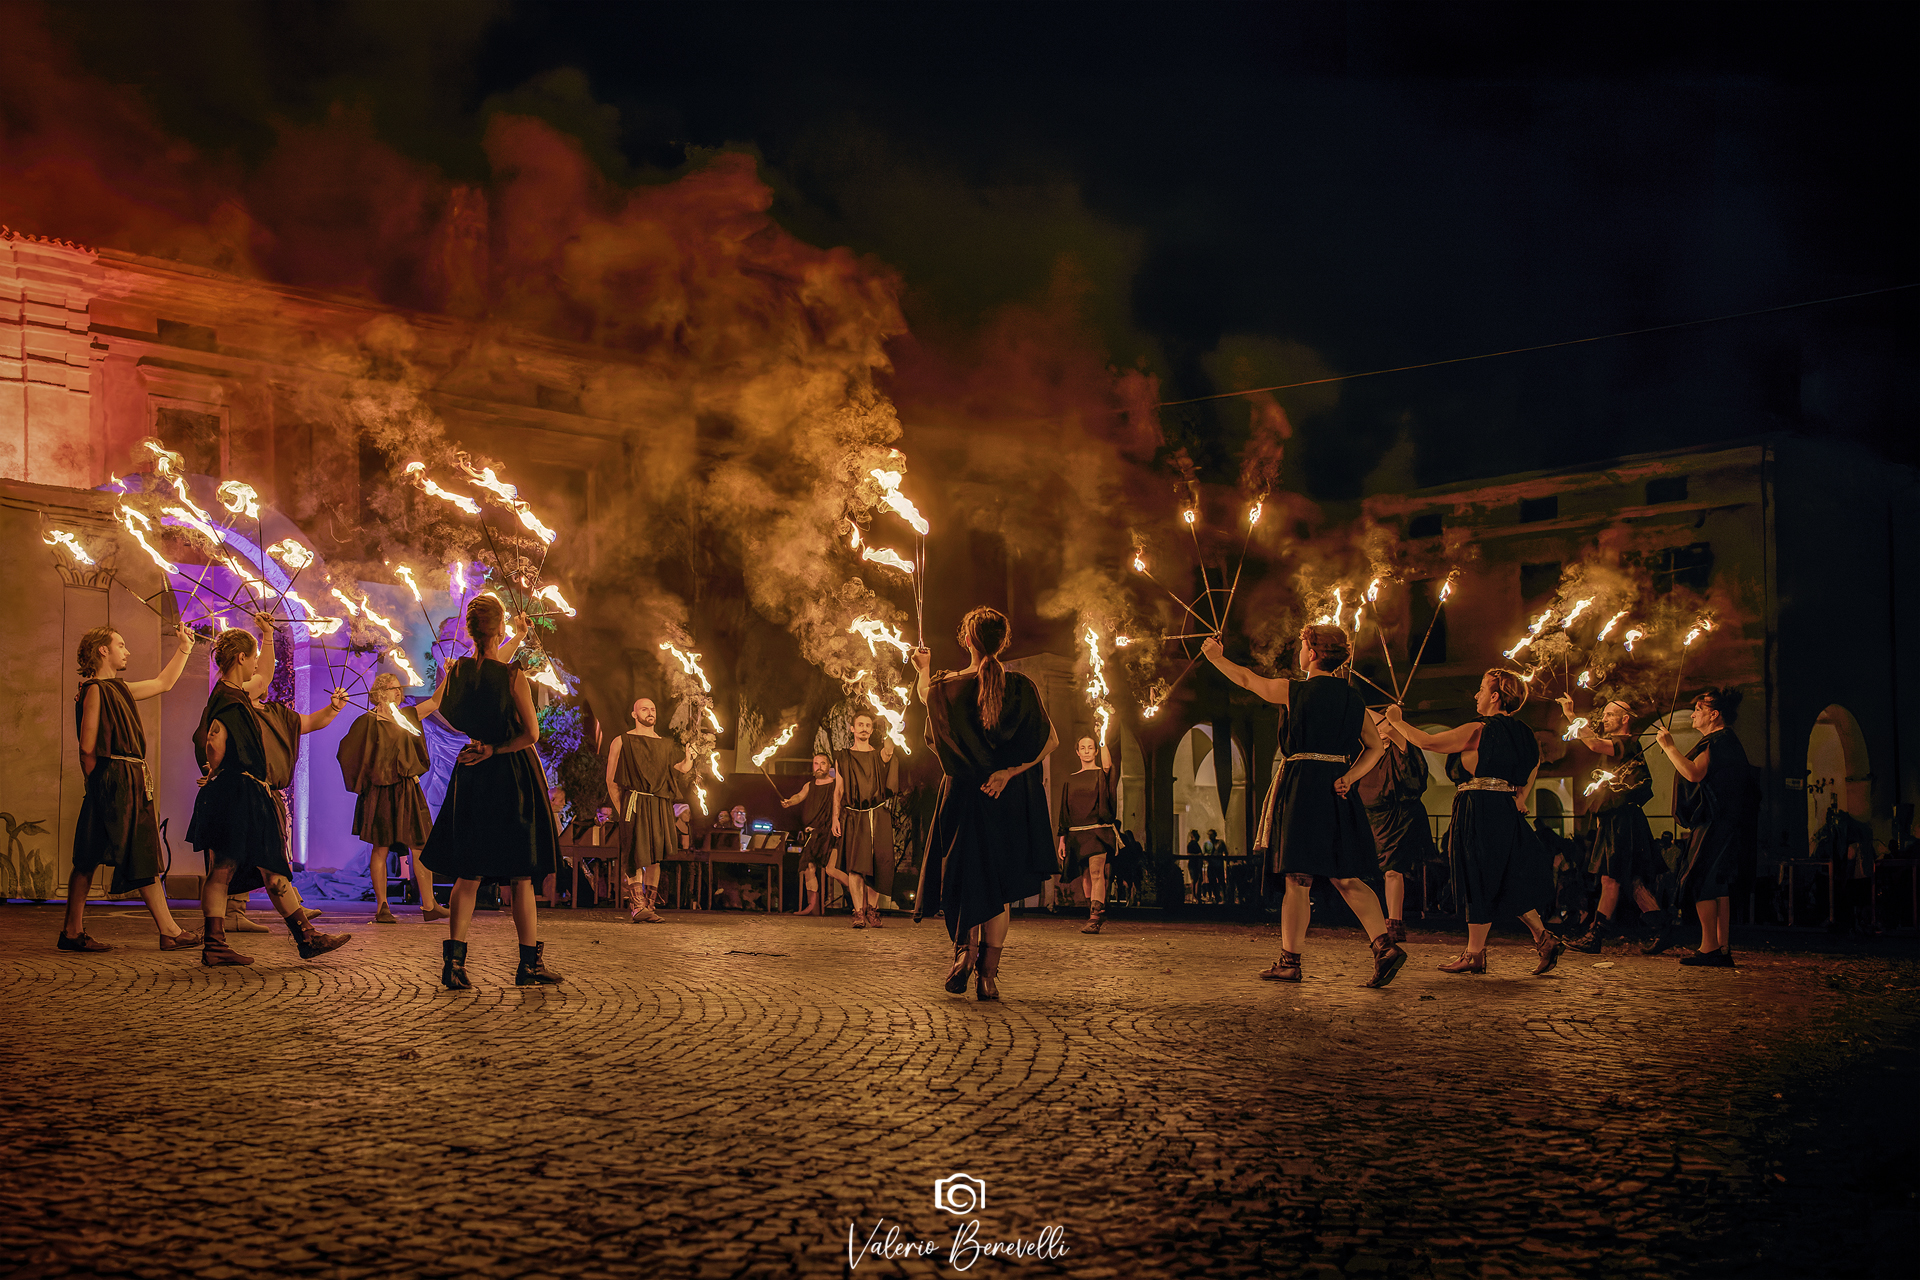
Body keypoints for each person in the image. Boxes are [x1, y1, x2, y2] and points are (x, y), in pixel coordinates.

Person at [1205, 628, 1407, 988]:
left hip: (1302, 786)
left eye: (1302, 646)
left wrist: (1217, 658)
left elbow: (1247, 679)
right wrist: (1350, 776)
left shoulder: (1293, 690)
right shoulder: (1352, 697)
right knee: (1344, 874)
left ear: (1313, 654)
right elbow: (1376, 747)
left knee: (1297, 877)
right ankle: (1383, 946)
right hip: (1336, 787)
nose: (1299, 651)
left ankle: (1290, 962)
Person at [189, 619, 354, 966]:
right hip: (240, 792)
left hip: (241, 793)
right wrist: (216, 770)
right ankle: (299, 937)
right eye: (250, 658)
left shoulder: (233, 695)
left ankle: (296, 937)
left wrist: (265, 637)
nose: (255, 667)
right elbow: (214, 742)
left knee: (249, 867)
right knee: (233, 869)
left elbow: (263, 674)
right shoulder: (229, 699)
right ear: (238, 658)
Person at [912, 606, 1057, 1000]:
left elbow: (932, 724)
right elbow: (1050, 741)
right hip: (1004, 798)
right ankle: (987, 977)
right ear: (1002, 641)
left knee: (963, 879)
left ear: (966, 640)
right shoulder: (1021, 686)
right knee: (997, 886)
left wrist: (923, 670)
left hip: (961, 795)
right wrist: (1008, 772)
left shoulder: (943, 687)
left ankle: (963, 956)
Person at [420, 595, 563, 988]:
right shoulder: (514, 676)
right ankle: (528, 966)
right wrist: (496, 749)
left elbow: (485, 671)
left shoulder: (457, 671)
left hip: (472, 773)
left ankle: (454, 966)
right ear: (497, 628)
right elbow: (530, 735)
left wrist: (515, 635)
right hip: (510, 775)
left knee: (469, 873)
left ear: (470, 630)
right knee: (520, 875)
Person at [1388, 669, 1562, 977]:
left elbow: (1428, 742)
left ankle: (1474, 954)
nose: (1476, 695)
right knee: (1505, 878)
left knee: (1476, 876)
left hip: (1477, 808)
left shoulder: (1480, 729)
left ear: (1495, 696)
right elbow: (1534, 763)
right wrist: (1522, 796)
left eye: (1481, 689)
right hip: (1505, 808)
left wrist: (1397, 720)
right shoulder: (1524, 733)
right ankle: (1543, 939)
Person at [61, 621, 202, 952]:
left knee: (88, 856)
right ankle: (169, 930)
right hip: (117, 780)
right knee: (141, 851)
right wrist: (100, 784)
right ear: (103, 650)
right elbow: (87, 746)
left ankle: (71, 931)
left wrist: (185, 647)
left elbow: (164, 683)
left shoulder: (117, 689)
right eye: (121, 645)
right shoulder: (96, 689)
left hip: (117, 779)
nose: (128, 650)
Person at [1651, 687, 1758, 966]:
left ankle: (1709, 947)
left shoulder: (1719, 740)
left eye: (1699, 709)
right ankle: (1721, 947)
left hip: (1714, 823)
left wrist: (1669, 747)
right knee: (1718, 884)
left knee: (1701, 881)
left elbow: (1693, 772)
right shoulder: (1724, 740)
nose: (1694, 714)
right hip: (1725, 823)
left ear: (1714, 714)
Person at [336, 671, 451, 924]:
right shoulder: (367, 722)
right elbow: (348, 753)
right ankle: (382, 907)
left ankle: (429, 905)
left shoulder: (407, 716)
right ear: (379, 693)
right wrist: (364, 783)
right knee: (381, 847)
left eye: (399, 689)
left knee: (420, 846)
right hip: (380, 790)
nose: (398, 692)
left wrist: (448, 675)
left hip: (407, 789)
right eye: (392, 688)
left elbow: (434, 703)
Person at [1555, 695, 1664, 951]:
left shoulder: (1625, 742)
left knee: (1610, 879)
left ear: (1624, 719)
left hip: (1623, 819)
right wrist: (1573, 717)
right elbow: (1593, 740)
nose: (1603, 719)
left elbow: (1592, 744)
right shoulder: (1617, 744)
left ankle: (1595, 936)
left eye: (1609, 715)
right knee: (1631, 881)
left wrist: (1573, 717)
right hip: (1617, 819)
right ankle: (1663, 928)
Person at [604, 696, 694, 924]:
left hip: (659, 803)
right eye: (644, 709)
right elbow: (611, 779)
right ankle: (637, 906)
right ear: (635, 714)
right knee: (635, 854)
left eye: (653, 709)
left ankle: (649, 905)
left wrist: (690, 757)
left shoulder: (665, 743)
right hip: (634, 803)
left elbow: (680, 769)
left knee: (655, 856)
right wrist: (622, 809)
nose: (650, 712)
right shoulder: (622, 741)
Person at [1353, 708, 1436, 944]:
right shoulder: (1367, 753)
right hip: (1370, 816)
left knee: (1392, 870)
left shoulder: (1401, 746)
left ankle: (1394, 922)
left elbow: (1395, 734)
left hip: (1398, 817)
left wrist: (1389, 720)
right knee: (1364, 872)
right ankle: (1373, 920)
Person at [833, 713, 899, 929]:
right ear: (852, 728)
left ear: (872, 730)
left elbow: (889, 749)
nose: (864, 728)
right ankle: (858, 912)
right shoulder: (842, 757)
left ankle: (872, 910)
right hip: (853, 815)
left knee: (878, 864)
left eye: (868, 725)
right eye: (860, 725)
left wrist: (895, 724)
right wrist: (836, 818)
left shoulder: (880, 755)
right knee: (855, 867)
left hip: (878, 814)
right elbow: (839, 789)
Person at [1056, 736, 1119, 933]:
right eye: (1082, 747)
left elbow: (1108, 766)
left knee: (1096, 871)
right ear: (1077, 752)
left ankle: (1095, 916)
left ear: (1095, 751)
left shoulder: (1101, 774)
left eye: (1090, 747)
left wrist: (1102, 738)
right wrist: (1062, 840)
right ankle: (1094, 912)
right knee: (1086, 876)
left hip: (1098, 832)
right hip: (1077, 835)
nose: (1086, 751)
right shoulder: (1071, 778)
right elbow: (1064, 811)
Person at [779, 752, 836, 915]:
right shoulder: (810, 785)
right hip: (813, 834)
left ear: (828, 766)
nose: (819, 767)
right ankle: (813, 906)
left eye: (822, 763)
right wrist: (789, 801)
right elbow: (799, 796)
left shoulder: (835, 785)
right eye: (816, 763)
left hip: (827, 833)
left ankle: (859, 900)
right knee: (808, 866)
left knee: (833, 870)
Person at [1183, 829, 1204, 902]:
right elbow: (1189, 854)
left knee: (1196, 880)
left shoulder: (1194, 844)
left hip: (1195, 863)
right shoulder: (1192, 844)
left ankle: (1196, 895)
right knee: (1195, 880)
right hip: (1193, 864)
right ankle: (1195, 896)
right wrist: (1198, 855)